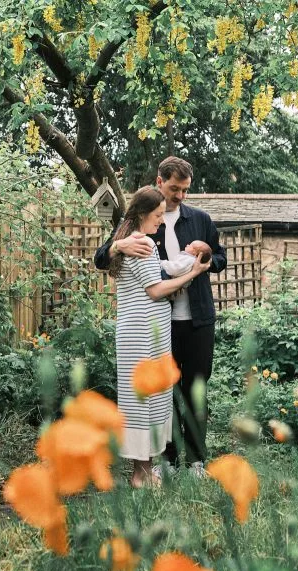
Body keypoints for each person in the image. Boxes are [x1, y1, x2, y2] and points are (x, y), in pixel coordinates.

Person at [95, 157, 226, 476]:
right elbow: (101, 259)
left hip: (197, 321)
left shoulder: (200, 219)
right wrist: (118, 245)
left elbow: (221, 257)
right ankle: (165, 460)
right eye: (174, 188)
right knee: (162, 392)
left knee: (195, 390)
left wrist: (206, 257)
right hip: (159, 324)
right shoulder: (139, 222)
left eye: (185, 190)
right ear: (159, 182)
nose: (180, 195)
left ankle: (195, 461)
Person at [107, 186, 211, 487]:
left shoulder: (128, 241)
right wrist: (193, 273)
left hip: (136, 330)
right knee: (145, 399)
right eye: (156, 216)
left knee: (142, 399)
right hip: (143, 333)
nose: (161, 221)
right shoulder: (142, 244)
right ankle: (141, 475)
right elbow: (156, 289)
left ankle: (143, 471)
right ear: (142, 214)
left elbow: (155, 275)